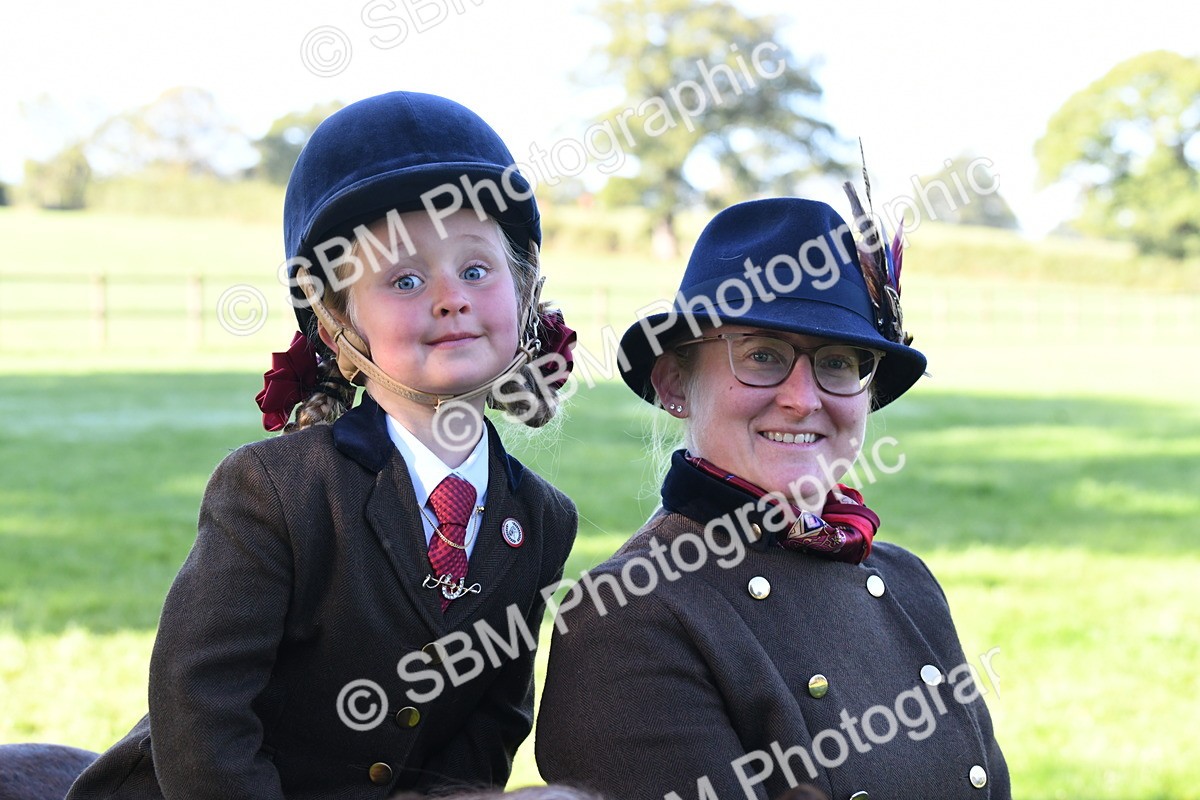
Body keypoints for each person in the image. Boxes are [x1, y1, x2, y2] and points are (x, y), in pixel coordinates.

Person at [66, 91, 578, 799]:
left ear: (525, 297)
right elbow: (200, 708)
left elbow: (490, 721)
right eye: (404, 278)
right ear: (337, 327)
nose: (451, 297)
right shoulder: (272, 490)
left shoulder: (544, 518)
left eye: (476, 269)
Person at [535, 196, 1009, 799]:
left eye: (837, 363)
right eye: (762, 355)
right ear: (676, 382)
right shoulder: (626, 616)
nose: (802, 398)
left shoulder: (910, 584)